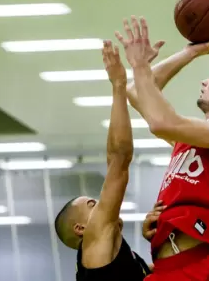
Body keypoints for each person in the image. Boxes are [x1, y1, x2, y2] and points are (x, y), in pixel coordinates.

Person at [117, 16, 209, 280]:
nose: (204, 82)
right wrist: (190, 52)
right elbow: (135, 91)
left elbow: (161, 122)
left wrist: (141, 65)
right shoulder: (190, 137)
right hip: (168, 269)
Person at [53, 40, 165, 281]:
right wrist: (119, 86)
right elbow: (119, 159)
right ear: (81, 229)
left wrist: (158, 242)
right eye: (93, 204)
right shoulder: (95, 243)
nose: (103, 203)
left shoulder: (115, 257)